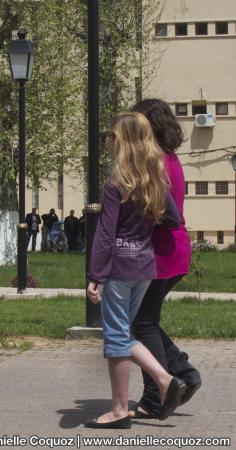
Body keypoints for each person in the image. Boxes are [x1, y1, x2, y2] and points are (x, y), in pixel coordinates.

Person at [86, 112, 186, 429]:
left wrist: (95, 276)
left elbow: (105, 233)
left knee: (116, 337)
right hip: (144, 266)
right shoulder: (155, 180)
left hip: (119, 268)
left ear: (122, 142)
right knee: (121, 335)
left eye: (111, 135)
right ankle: (141, 394)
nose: (107, 140)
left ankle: (156, 384)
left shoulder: (116, 184)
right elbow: (173, 218)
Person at [129, 99, 201, 419]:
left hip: (161, 252)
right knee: (146, 322)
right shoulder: (169, 156)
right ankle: (183, 375)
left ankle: (158, 394)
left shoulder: (153, 160)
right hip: (174, 250)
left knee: (140, 324)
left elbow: (161, 212)